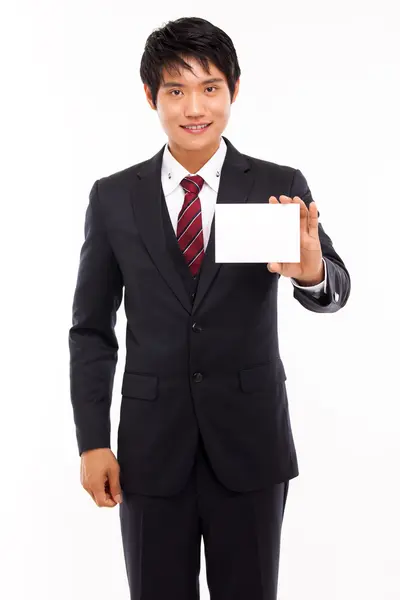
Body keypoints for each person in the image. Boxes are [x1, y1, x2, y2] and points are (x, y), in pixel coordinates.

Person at [68, 16, 351, 600]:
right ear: (151, 97)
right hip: (149, 453)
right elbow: (91, 330)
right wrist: (92, 440)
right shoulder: (114, 197)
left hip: (250, 448)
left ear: (234, 91)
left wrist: (310, 273)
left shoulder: (277, 184)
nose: (194, 107)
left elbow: (337, 287)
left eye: (210, 88)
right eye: (176, 90)